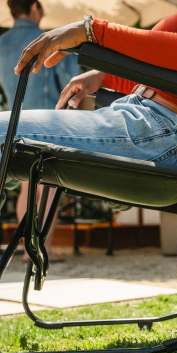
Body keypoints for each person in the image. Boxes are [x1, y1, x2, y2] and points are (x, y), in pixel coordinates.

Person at [0, 0, 177, 184]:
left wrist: (91, 30)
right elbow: (174, 76)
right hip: (158, 126)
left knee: (2, 132)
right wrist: (104, 77)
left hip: (162, 131)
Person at [0, 0, 80, 260]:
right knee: (48, 186)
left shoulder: (1, 43)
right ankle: (40, 248)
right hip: (48, 122)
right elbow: (71, 82)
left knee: (26, 184)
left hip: (14, 122)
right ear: (34, 7)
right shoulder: (50, 41)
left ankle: (27, 248)